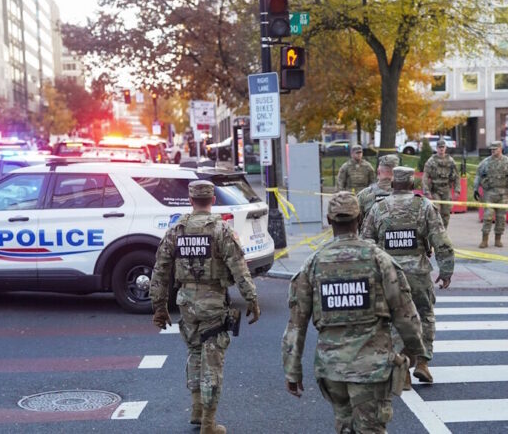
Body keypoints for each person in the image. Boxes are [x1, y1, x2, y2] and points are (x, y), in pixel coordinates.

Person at [282, 191, 426, 434]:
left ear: (329, 221)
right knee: (371, 429)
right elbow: (404, 312)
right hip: (371, 368)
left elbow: (297, 323)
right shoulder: (379, 259)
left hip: (332, 370)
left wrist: (292, 369)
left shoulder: (314, 263)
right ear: (359, 219)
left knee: (345, 426)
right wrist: (415, 349)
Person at [150, 180, 261, 434]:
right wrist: (251, 298)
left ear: (190, 200)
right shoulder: (221, 230)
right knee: (213, 360)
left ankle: (197, 409)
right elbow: (239, 268)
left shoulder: (176, 230)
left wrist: (159, 306)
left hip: (186, 303)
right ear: (212, 200)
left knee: (195, 353)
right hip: (213, 303)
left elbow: (160, 270)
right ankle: (209, 425)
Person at [362, 166, 454, 387]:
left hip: (389, 274)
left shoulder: (378, 208)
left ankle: (401, 362)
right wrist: (446, 269)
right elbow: (441, 241)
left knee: (394, 319)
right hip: (418, 274)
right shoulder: (424, 206)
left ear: (393, 185)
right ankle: (422, 362)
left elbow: (366, 242)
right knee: (425, 316)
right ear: (413, 185)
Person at [473, 140, 508, 248]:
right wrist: (475, 189)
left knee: (501, 218)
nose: (493, 151)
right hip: (489, 193)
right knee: (487, 217)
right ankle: (484, 239)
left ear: (500, 149)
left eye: (495, 149)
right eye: (492, 149)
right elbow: (478, 176)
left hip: (503, 194)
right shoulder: (485, 162)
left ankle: (498, 239)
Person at [422, 139, 460, 228]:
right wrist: (426, 191)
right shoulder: (431, 161)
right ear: (436, 148)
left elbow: (457, 176)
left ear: (445, 148)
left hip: (446, 190)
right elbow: (425, 176)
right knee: (436, 212)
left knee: (446, 214)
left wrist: (457, 190)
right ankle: (436, 233)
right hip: (435, 190)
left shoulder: (450, 161)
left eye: (443, 147)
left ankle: (443, 233)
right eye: (439, 147)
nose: (441, 149)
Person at [356, 154, 399, 224]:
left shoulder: (364, 195)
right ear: (397, 173)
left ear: (378, 172)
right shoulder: (407, 195)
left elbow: (357, 222)